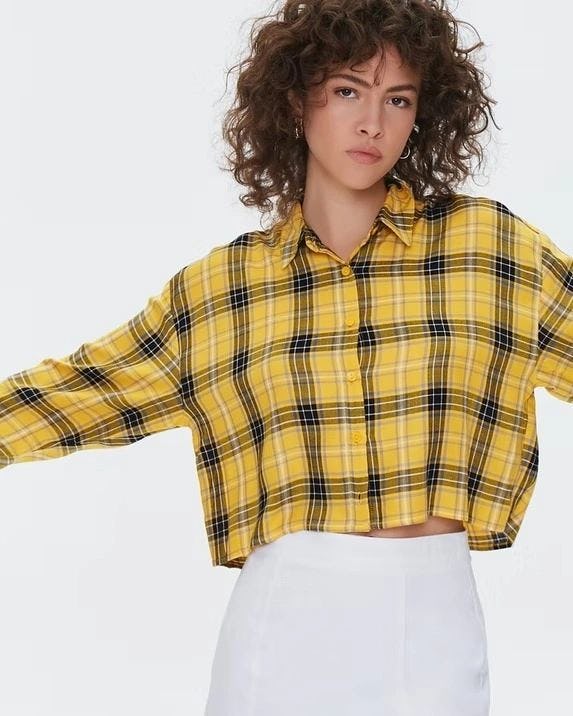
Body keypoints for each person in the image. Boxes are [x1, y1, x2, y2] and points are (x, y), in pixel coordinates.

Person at [1, 1, 571, 714]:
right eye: (347, 91)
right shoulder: (221, 289)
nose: (373, 122)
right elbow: (83, 390)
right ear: (295, 102)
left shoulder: (491, 250)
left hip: (434, 631)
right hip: (284, 629)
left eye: (398, 99)